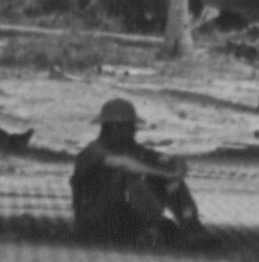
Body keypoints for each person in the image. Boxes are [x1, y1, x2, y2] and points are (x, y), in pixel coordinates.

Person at [70, 97, 211, 245]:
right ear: (115, 128)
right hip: (98, 222)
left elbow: (165, 159)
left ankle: (190, 225)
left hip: (121, 218)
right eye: (130, 127)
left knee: (165, 178)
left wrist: (176, 164)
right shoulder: (93, 152)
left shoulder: (130, 149)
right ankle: (156, 229)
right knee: (143, 175)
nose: (134, 132)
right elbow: (122, 163)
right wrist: (165, 173)